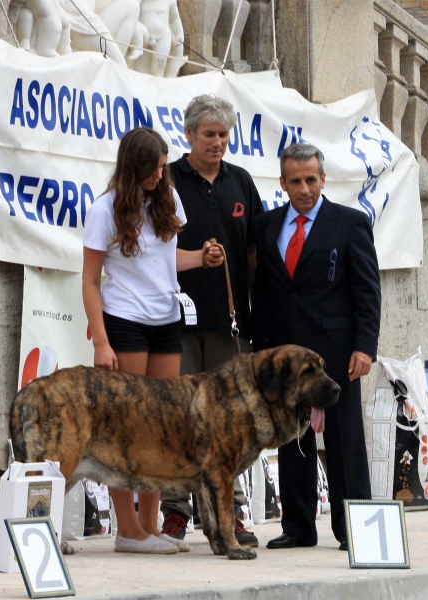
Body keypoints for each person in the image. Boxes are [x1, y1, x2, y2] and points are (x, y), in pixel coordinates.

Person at [82, 126, 223, 554]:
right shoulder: (104, 209)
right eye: (153, 168)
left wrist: (201, 257)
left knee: (161, 427)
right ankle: (127, 530)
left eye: (163, 166)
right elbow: (89, 281)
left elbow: (166, 258)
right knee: (124, 426)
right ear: (133, 166)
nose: (161, 175)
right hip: (124, 319)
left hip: (166, 319)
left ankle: (150, 525)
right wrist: (102, 342)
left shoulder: (168, 198)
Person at [252, 142, 381, 551]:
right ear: (283, 182)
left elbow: (367, 291)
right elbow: (264, 292)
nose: (304, 188)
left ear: (323, 179)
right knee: (293, 440)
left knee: (344, 442)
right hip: (285, 360)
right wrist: (260, 350)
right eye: (296, 180)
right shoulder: (267, 226)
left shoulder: (349, 224)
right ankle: (299, 527)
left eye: (311, 179)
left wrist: (365, 346)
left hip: (336, 355)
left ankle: (354, 529)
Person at [160, 94, 264, 547]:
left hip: (230, 325)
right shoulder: (166, 178)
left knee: (230, 422)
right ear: (189, 135)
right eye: (209, 134)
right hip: (174, 321)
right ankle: (176, 513)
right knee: (177, 417)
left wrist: (256, 315)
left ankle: (231, 512)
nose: (217, 142)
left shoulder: (241, 181)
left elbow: (257, 253)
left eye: (223, 134)